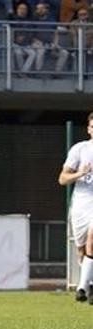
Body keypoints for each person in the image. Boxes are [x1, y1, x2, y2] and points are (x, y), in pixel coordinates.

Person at [59, 111, 93, 303]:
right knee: (82, 250)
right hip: (81, 203)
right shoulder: (79, 149)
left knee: (92, 239)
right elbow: (62, 179)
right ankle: (90, 285)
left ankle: (81, 288)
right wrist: (80, 173)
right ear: (89, 129)